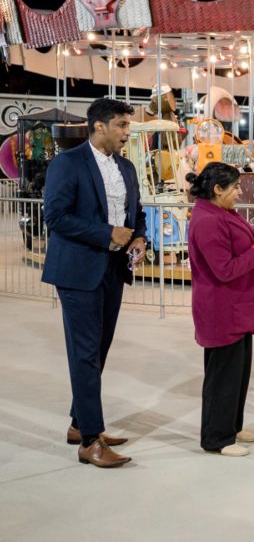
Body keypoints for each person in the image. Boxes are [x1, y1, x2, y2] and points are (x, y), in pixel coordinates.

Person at [42, 98, 146, 468]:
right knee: (85, 353)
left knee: (99, 350)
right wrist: (107, 233)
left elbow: (137, 212)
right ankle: (90, 440)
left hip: (114, 270)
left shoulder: (127, 167)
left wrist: (139, 237)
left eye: (127, 127)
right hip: (76, 271)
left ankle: (78, 422)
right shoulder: (67, 163)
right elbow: (54, 216)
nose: (126, 133)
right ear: (99, 126)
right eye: (120, 125)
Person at [186, 163, 254, 457]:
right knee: (223, 377)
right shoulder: (208, 220)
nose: (240, 192)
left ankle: (231, 427)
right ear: (218, 189)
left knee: (238, 373)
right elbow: (224, 269)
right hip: (221, 308)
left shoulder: (220, 213)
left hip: (237, 306)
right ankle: (217, 438)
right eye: (235, 187)